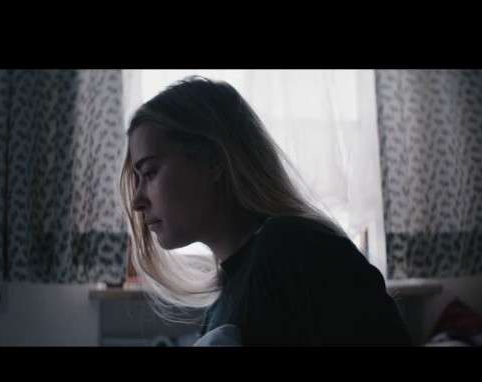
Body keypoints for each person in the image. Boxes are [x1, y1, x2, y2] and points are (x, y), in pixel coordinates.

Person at [119, 76, 413, 346]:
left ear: (212, 161)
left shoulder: (293, 248)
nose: (137, 202)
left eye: (150, 172)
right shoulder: (221, 303)